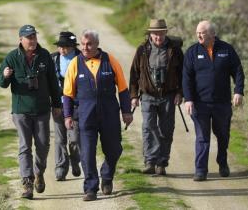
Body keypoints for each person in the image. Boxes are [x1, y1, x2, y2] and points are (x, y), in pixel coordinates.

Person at [62, 29, 133, 201]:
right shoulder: (75, 63)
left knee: (114, 149)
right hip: (85, 116)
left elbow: (123, 89)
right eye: (83, 44)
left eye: (89, 44)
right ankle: (91, 188)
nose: (85, 47)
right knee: (87, 153)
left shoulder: (111, 61)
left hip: (109, 114)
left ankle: (107, 176)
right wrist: (68, 116)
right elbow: (68, 93)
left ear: (97, 44)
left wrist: (126, 111)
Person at [0, 24, 62, 199]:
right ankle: (27, 182)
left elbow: (53, 83)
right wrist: (5, 75)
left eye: (34, 37)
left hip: (42, 109)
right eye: (29, 37)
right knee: (25, 146)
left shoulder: (45, 55)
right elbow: (1, 83)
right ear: (20, 39)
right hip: (21, 110)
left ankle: (38, 172)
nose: (32, 40)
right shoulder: (12, 57)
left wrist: (57, 104)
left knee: (43, 145)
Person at [182, 20, 245, 181]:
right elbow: (186, 78)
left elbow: (238, 71)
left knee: (223, 135)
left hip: (222, 103)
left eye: (202, 32)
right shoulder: (192, 52)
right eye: (197, 32)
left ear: (212, 34)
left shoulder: (226, 49)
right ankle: (201, 170)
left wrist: (238, 91)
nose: (198, 35)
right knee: (203, 137)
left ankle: (222, 162)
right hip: (200, 104)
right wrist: (188, 99)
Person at [129, 19, 184, 176]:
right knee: (148, 127)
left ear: (166, 32)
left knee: (166, 129)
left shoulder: (175, 50)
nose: (158, 36)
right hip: (147, 95)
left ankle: (162, 163)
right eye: (155, 33)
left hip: (168, 96)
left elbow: (183, 74)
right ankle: (150, 161)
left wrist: (180, 93)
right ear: (150, 34)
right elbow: (134, 74)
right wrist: (133, 95)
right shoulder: (142, 50)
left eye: (161, 33)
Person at [51, 31, 82, 181]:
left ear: (72, 47)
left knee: (75, 139)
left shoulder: (82, 58)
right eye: (60, 46)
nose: (62, 49)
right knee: (59, 139)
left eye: (65, 46)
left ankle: (75, 161)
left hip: (76, 105)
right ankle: (61, 168)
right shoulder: (53, 59)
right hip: (58, 104)